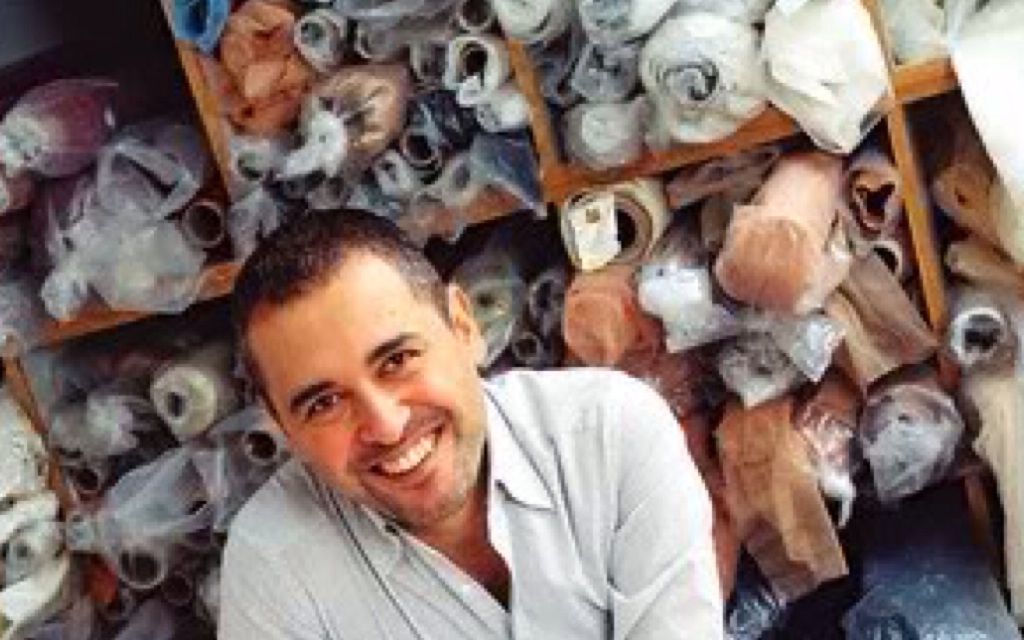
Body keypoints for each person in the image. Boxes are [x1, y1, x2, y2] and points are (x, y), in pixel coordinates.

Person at [220, 208, 723, 639]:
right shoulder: (274, 566)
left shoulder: (611, 434)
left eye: (397, 360)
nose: (387, 426)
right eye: (325, 403)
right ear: (283, 429)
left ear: (463, 327)